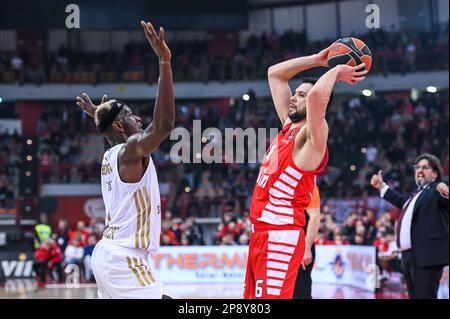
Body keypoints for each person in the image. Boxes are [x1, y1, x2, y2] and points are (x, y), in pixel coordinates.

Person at [243, 45, 367, 299]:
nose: (293, 97)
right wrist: (318, 60)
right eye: (296, 93)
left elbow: (316, 98)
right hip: (260, 236)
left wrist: (335, 71)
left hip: (280, 236)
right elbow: (275, 74)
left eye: (300, 95)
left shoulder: (312, 138)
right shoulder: (288, 128)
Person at [75, 20, 175, 299]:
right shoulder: (130, 150)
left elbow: (113, 130)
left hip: (115, 255)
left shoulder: (112, 153)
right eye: (130, 116)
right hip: (123, 257)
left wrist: (101, 116)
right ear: (119, 127)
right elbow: (164, 125)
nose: (138, 118)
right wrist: (165, 63)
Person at [370, 153, 449, 299]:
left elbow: (445, 198)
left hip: (426, 256)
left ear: (435, 173)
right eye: (417, 167)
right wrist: (381, 186)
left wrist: (445, 192)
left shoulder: (436, 189)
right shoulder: (416, 194)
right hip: (409, 256)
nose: (419, 170)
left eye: (425, 167)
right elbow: (401, 201)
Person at [293, 184, 321, 299]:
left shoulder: (309, 184)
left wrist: (306, 247)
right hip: (286, 245)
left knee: (300, 292)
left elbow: (315, 217)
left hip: (301, 247)